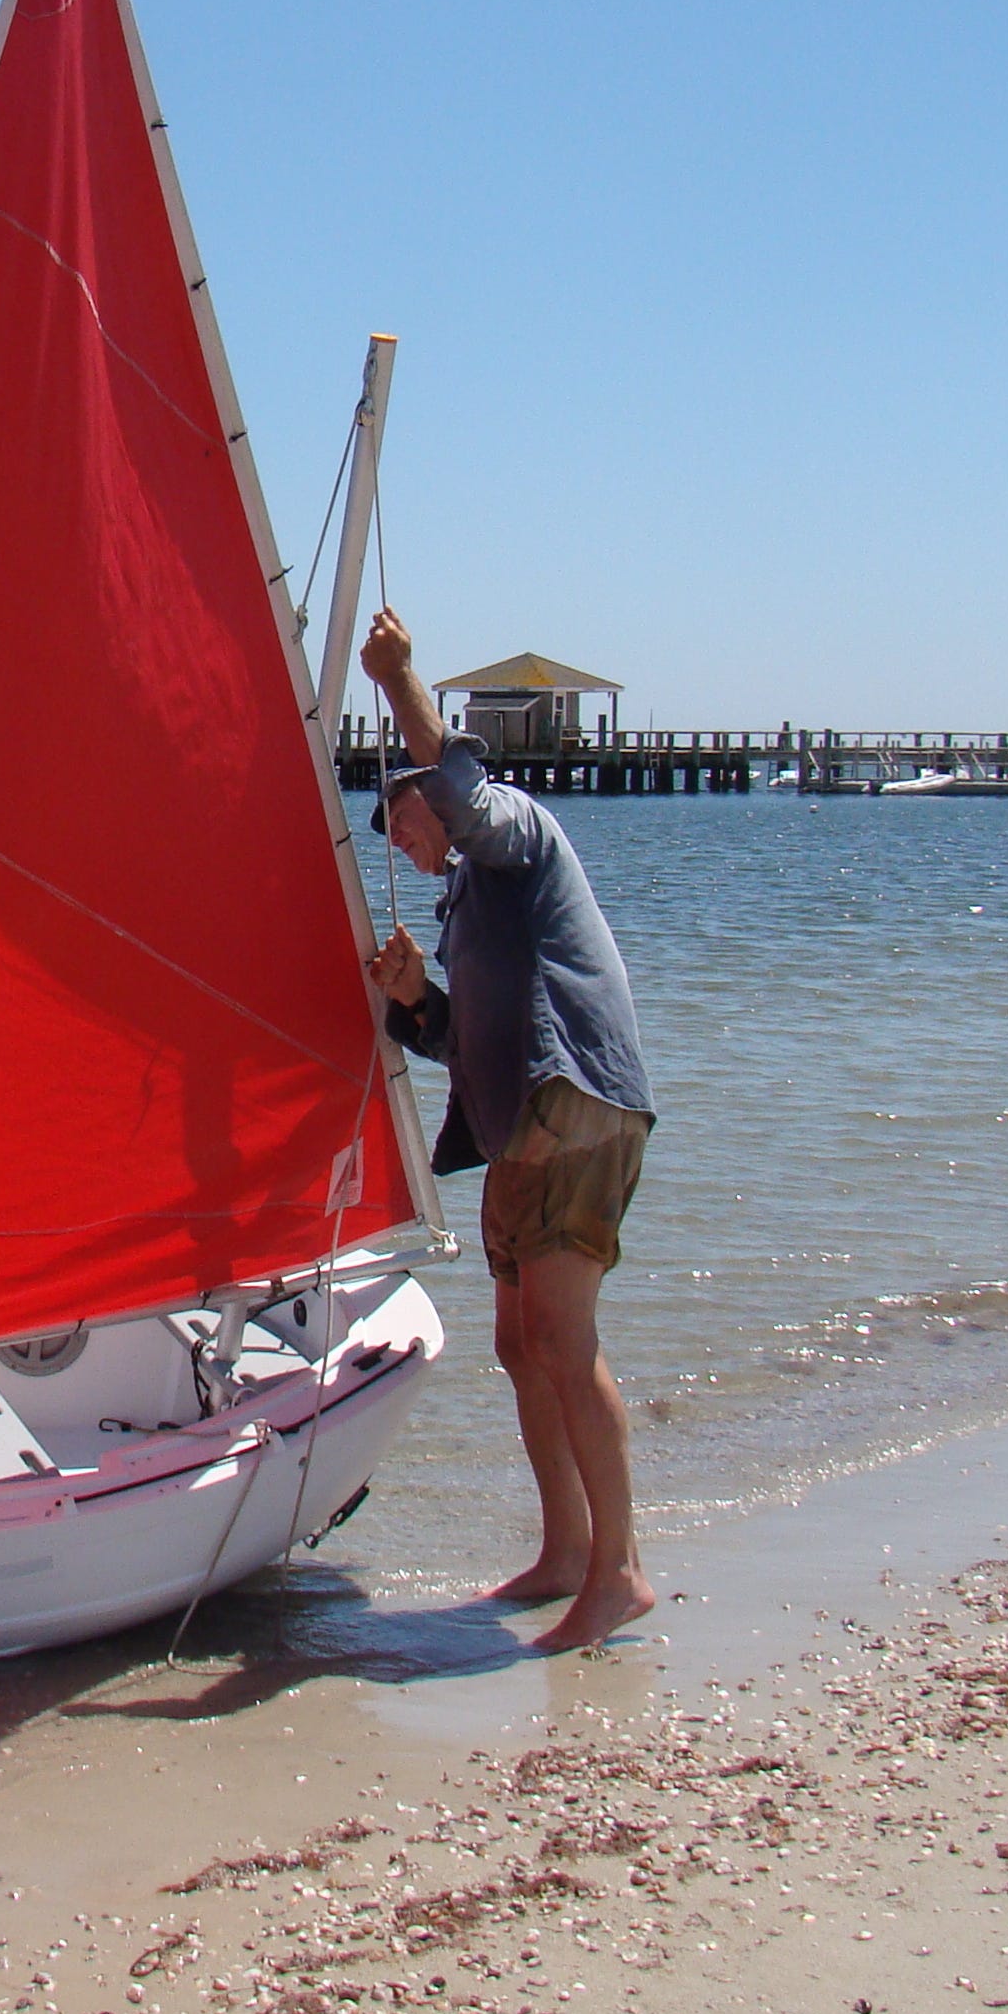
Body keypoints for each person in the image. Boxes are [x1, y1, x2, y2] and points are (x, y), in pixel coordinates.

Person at [359, 607, 660, 1649]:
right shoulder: (467, 910)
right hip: (521, 1126)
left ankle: (617, 1572)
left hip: (575, 1109)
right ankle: (568, 1551)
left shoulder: (517, 834)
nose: (396, 839)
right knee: (519, 1341)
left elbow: (468, 799)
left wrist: (402, 686)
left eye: (401, 818)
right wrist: (416, 1003)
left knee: (564, 1344)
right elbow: (468, 1041)